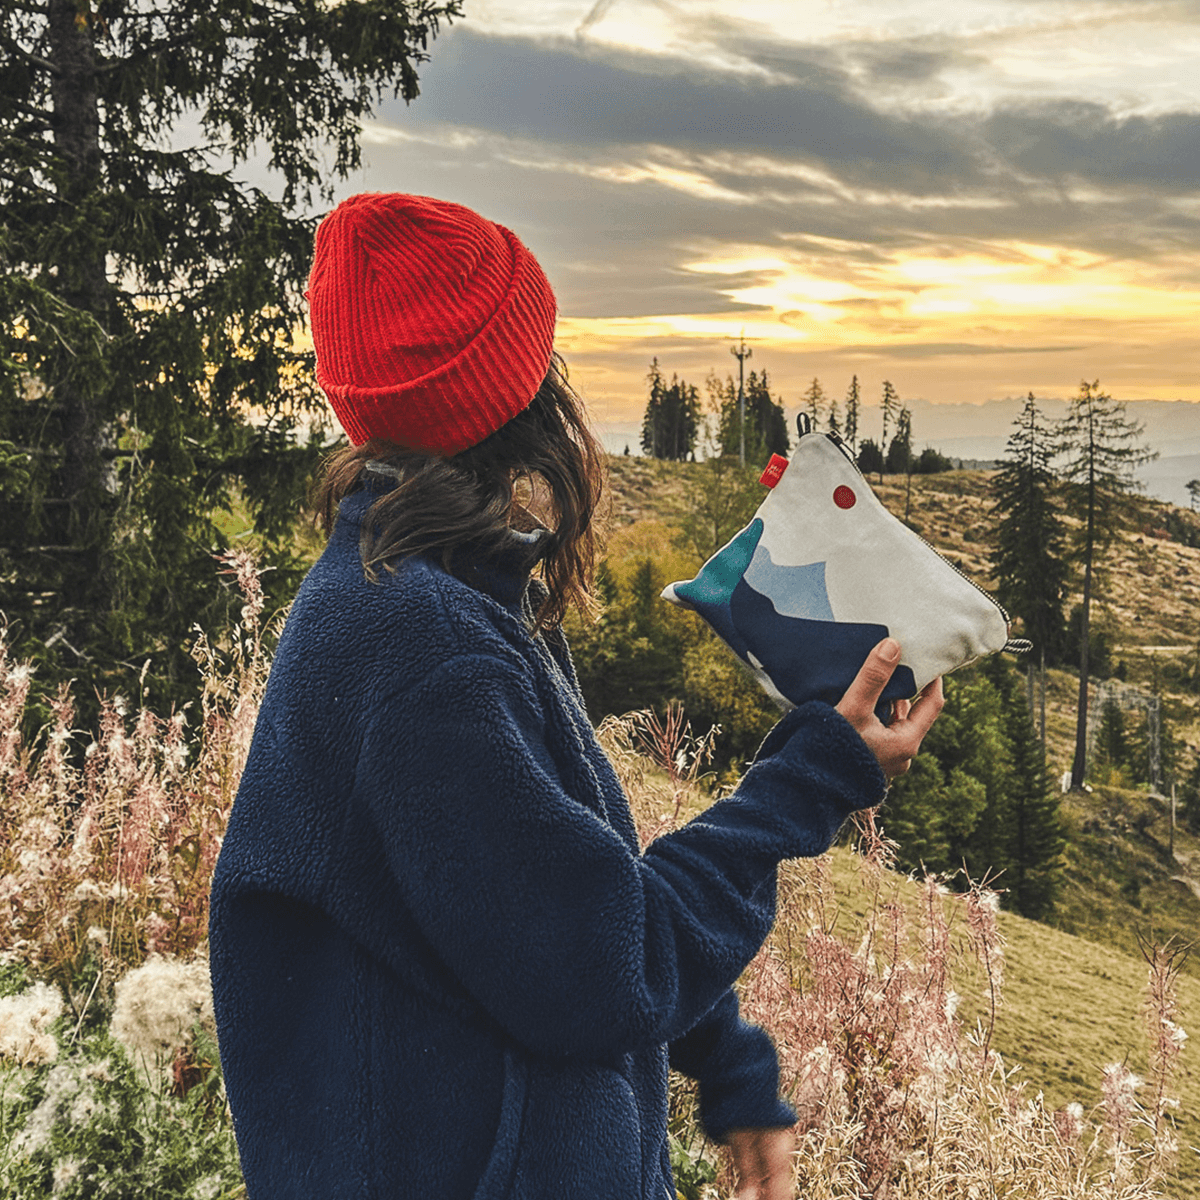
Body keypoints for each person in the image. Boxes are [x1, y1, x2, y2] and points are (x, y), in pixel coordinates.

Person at [208, 192, 943, 1200]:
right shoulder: (424, 651)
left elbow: (548, 899)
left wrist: (724, 1060)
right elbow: (606, 967)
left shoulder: (439, 594)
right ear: (510, 390)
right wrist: (811, 778)